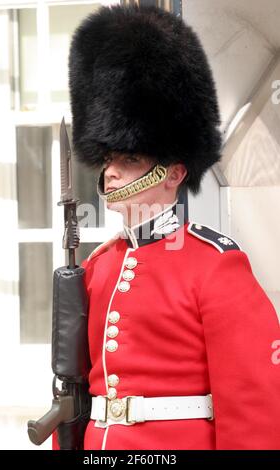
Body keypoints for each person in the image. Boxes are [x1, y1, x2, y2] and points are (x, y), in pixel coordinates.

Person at [54, 4, 280, 450]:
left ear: (174, 173)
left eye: (130, 159)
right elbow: (78, 396)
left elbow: (255, 407)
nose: (112, 173)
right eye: (109, 160)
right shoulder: (99, 269)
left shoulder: (215, 266)